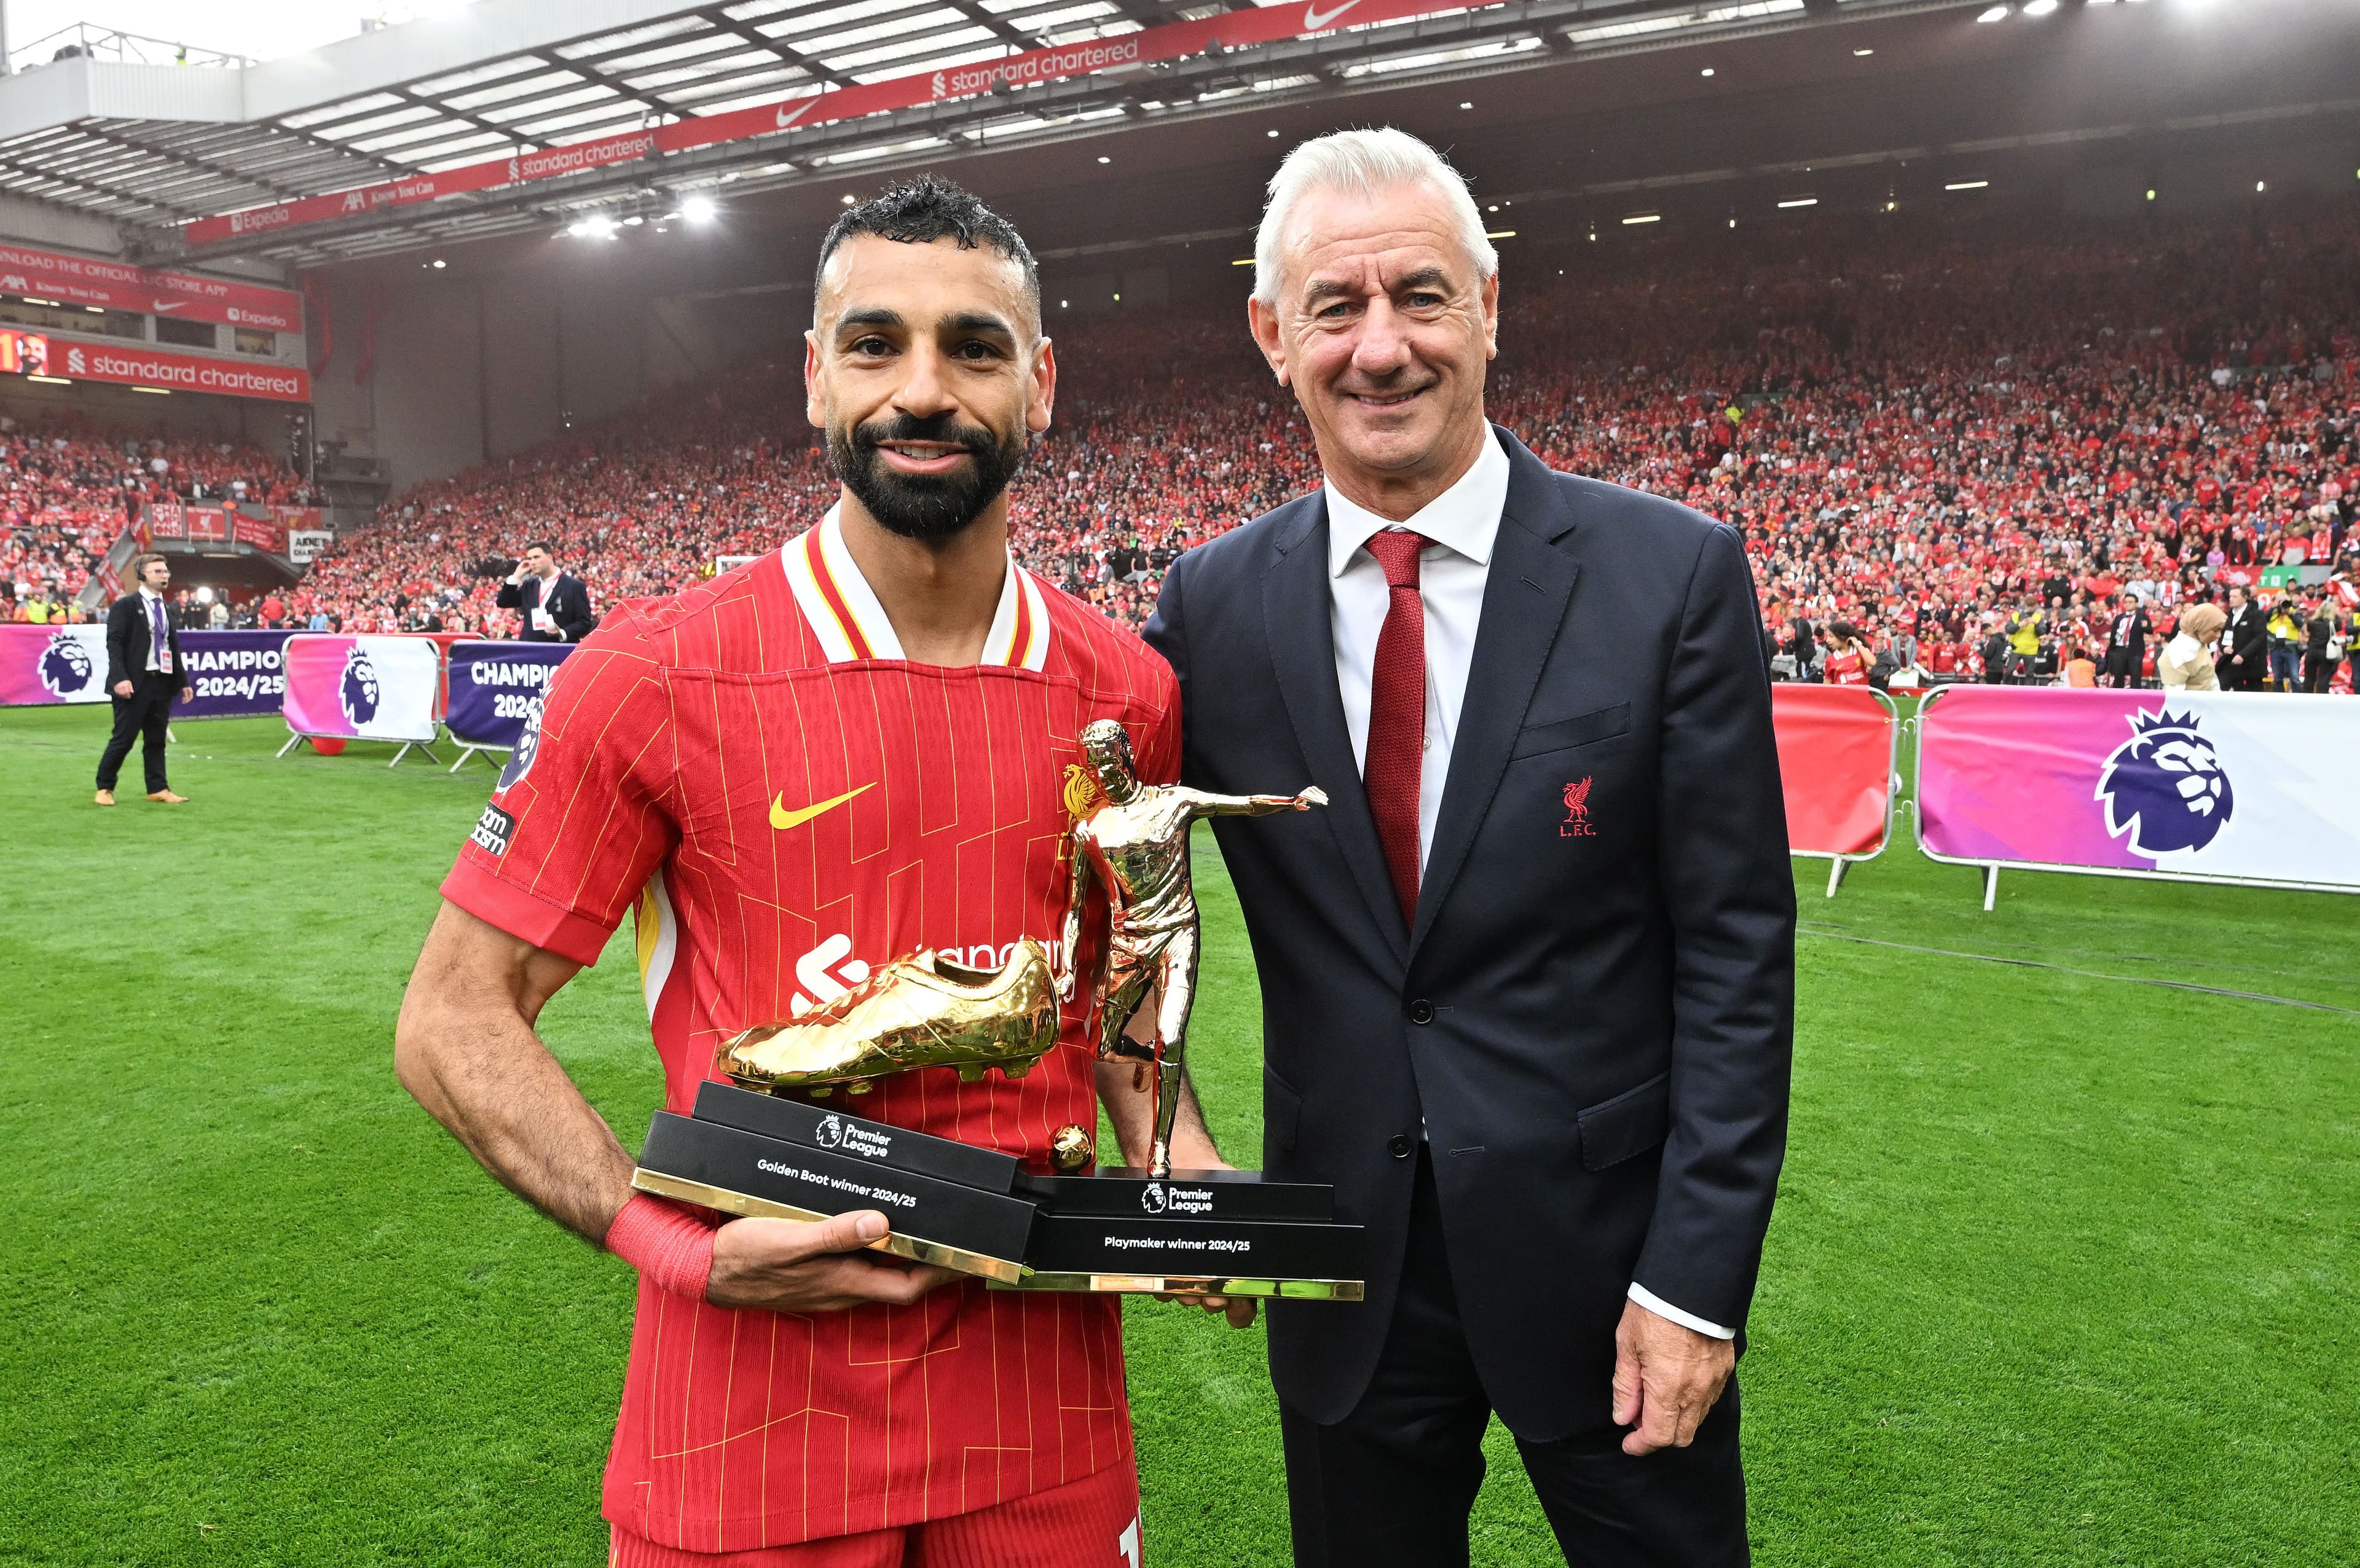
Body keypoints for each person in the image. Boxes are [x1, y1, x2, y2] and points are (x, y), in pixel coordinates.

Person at [395, 176, 1178, 1565]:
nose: (921, 390)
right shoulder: (652, 669)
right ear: (814, 377)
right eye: (875, 345)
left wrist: (1166, 1145)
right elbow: (453, 1022)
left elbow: (1117, 978)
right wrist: (670, 1243)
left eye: (973, 348)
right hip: (745, 1429)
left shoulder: (1124, 687)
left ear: (1040, 383)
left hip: (1042, 1424)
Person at [1144, 128, 1793, 1567]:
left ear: (1489, 308)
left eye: (1421, 297)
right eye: (1335, 306)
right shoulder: (1209, 607)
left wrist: (1692, 1285)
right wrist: (1160, 1134)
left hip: (1610, 1265)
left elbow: (1738, 952)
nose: (1380, 348)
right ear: (1272, 334)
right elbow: (1092, 865)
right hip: (1337, 1264)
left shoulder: (1669, 575)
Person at [95, 554, 192, 806]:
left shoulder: (167, 608)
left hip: (161, 681)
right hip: (133, 683)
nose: (164, 575)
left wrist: (182, 681)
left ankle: (158, 787)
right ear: (143, 575)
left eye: (166, 571)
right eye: (158, 571)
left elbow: (173, 646)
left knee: (156, 739)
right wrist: (120, 678)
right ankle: (105, 787)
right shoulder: (125, 606)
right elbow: (114, 643)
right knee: (124, 738)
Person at [494, 539, 596, 642]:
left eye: (537, 557)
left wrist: (562, 633)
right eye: (530, 559)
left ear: (550, 557)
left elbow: (585, 622)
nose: (532, 562)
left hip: (558, 650)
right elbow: (503, 602)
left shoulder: (574, 586)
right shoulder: (529, 585)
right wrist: (516, 576)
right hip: (529, 649)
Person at [2157, 603, 2225, 691]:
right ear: (2201, 626)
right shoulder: (2178, 652)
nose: (2219, 635)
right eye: (2216, 630)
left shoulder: (2201, 646)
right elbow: (2175, 698)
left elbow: (2211, 681)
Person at [2101, 593, 2152, 690]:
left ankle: (2136, 700)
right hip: (2119, 649)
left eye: (2131, 602)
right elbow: (2113, 634)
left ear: (2136, 604)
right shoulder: (2119, 618)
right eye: (2126, 602)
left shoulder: (2142, 617)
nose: (2128, 604)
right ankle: (2118, 699)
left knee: (2135, 677)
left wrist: (2146, 626)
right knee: (2118, 676)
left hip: (2135, 651)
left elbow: (2150, 630)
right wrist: (2111, 650)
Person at [2220, 584, 2265, 691]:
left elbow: (2259, 638)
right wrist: (2223, 647)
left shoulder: (2256, 614)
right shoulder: (2228, 615)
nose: (2231, 599)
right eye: (2230, 597)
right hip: (2230, 661)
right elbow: (2221, 635)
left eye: (2235, 597)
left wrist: (2243, 655)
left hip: (2251, 664)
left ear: (2245, 597)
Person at [1822, 620, 1871, 686]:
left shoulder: (1860, 652)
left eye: (1831, 636)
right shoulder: (1830, 659)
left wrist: (1858, 645)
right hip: (1842, 695)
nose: (1827, 640)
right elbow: (1827, 684)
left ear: (1842, 636)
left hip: (1862, 694)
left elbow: (1872, 664)